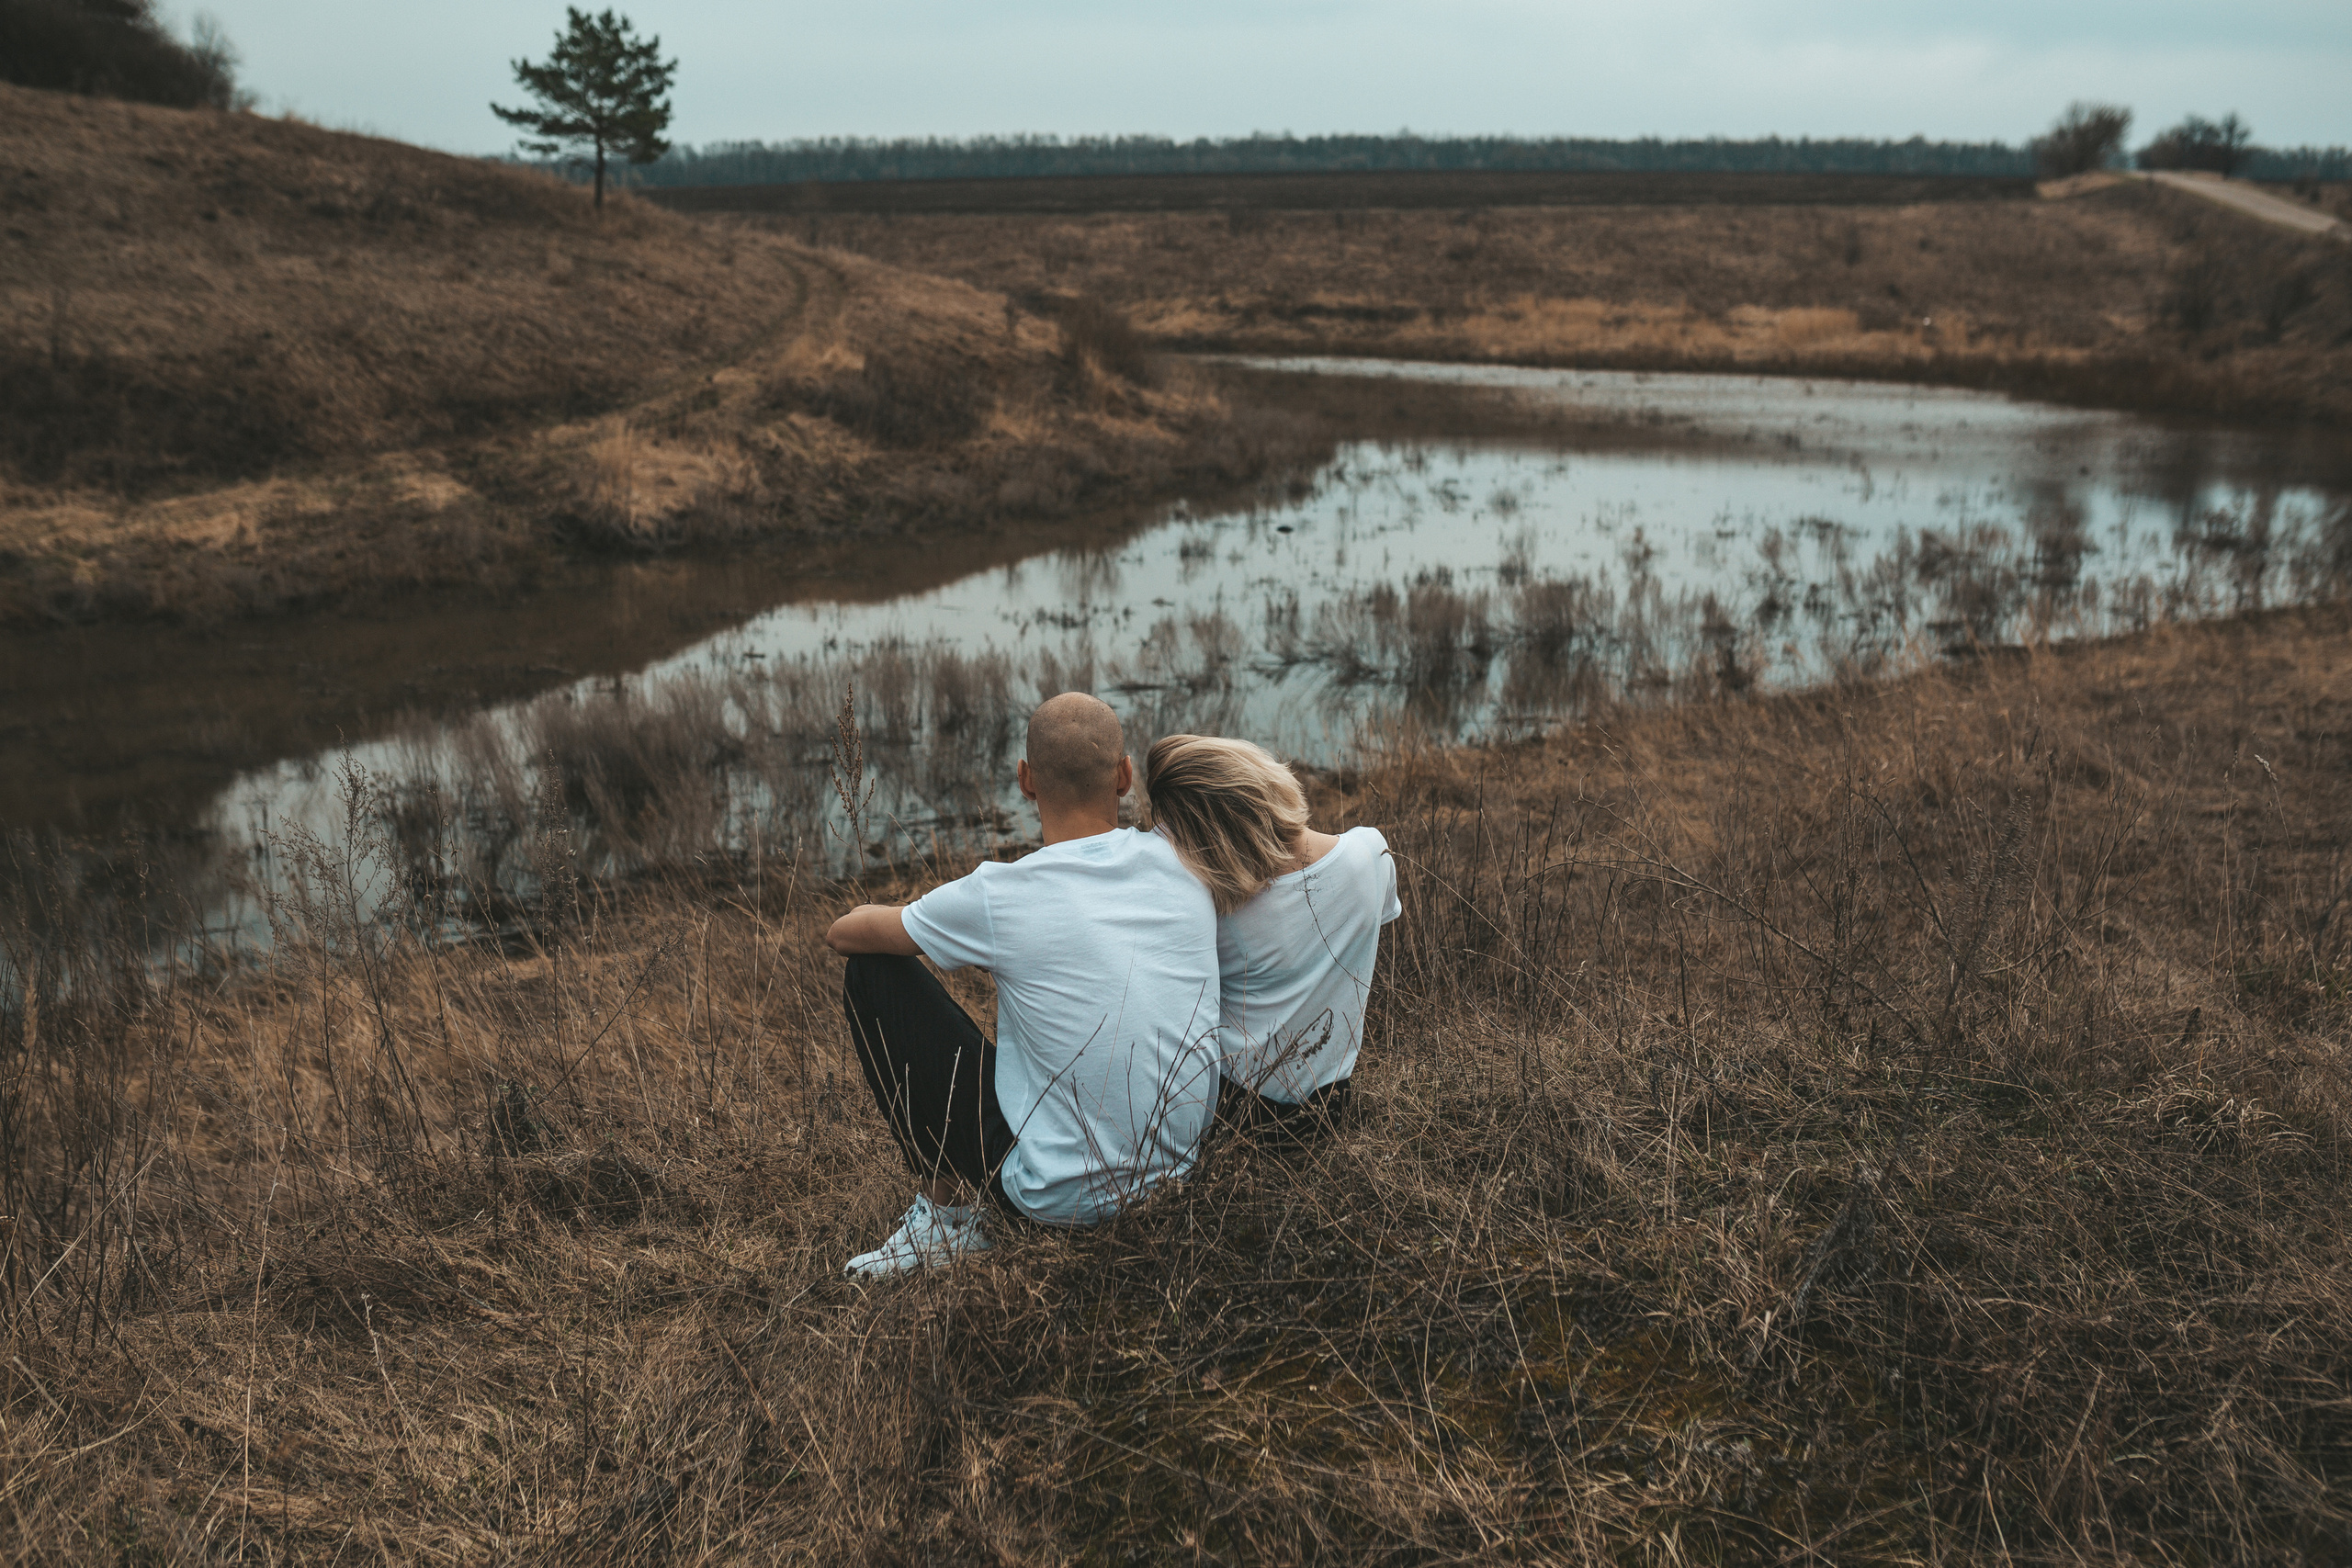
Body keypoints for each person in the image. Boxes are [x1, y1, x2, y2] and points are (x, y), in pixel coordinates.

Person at [824, 693, 1221, 1276]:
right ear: (1125, 775)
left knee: (872, 972)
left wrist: (969, 940)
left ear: (1026, 781)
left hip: (1053, 1202)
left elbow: (845, 933)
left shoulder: (1000, 894)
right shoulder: (1185, 860)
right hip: (1180, 1176)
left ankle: (946, 1222)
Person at [1140, 734, 1400, 1142]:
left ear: (1207, 836)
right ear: (1266, 776)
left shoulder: (1213, 912)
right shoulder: (1371, 854)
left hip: (1233, 1111)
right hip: (1331, 1104)